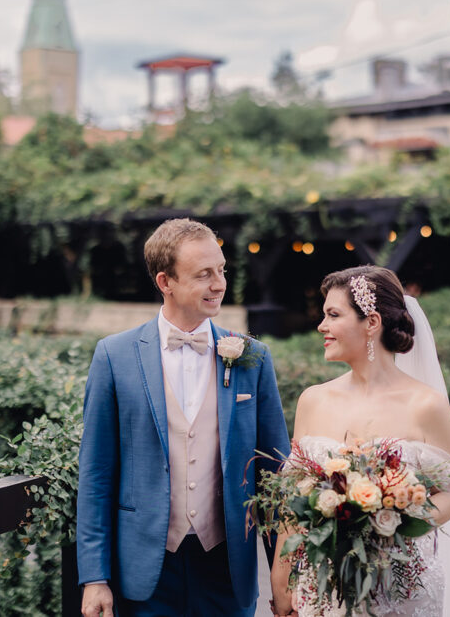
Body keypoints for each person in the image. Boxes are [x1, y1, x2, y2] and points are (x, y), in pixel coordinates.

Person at [77, 218, 291, 617]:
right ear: (166, 282)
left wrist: (286, 579)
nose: (219, 284)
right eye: (203, 274)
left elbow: (275, 475)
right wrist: (94, 577)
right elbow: (96, 475)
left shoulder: (253, 357)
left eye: (221, 270)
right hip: (143, 569)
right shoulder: (114, 356)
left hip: (228, 567)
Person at [270, 265, 450, 617]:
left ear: (371, 322)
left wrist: (393, 524)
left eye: (333, 315)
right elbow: (293, 500)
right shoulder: (313, 400)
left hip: (402, 585)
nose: (321, 326)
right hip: (321, 586)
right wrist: (281, 579)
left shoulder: (426, 405)